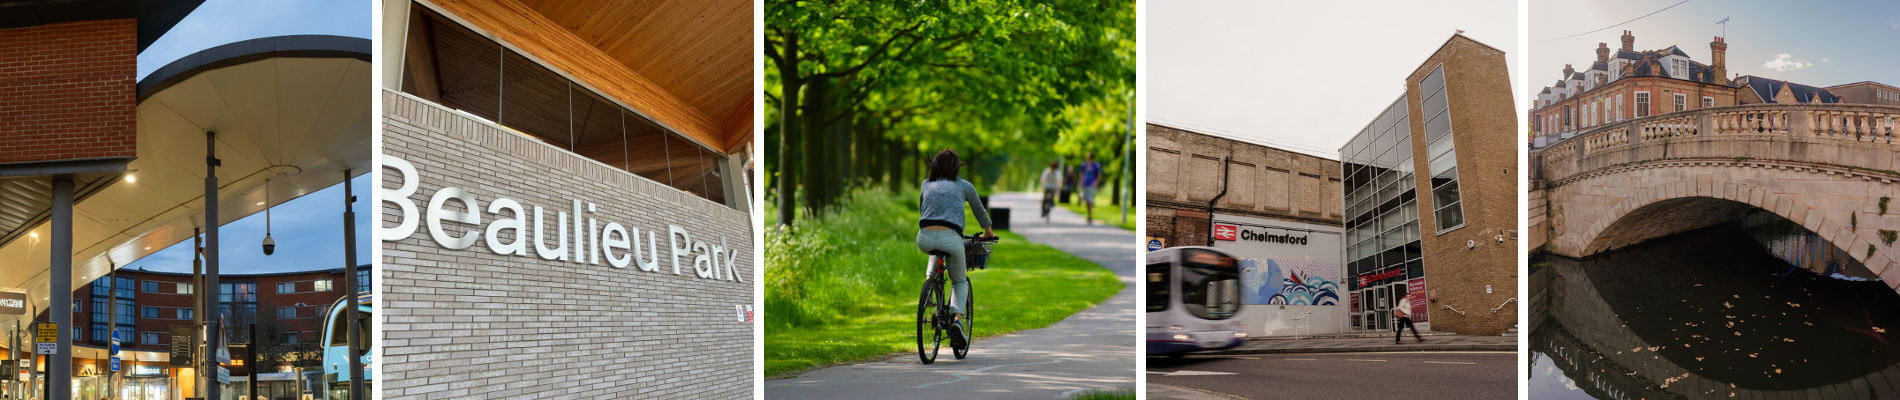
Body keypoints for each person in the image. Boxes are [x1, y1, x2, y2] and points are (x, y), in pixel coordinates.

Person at [916, 148, 996, 349]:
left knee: (935, 250)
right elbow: (980, 212)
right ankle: (957, 320)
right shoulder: (964, 186)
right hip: (951, 238)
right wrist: (988, 232)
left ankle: (929, 288)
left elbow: (922, 209)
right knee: (959, 281)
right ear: (956, 167)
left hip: (924, 237)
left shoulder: (926, 184)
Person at [1078, 152, 1104, 224]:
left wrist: (1095, 183)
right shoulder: (1084, 165)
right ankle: (1088, 214)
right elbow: (1082, 174)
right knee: (1086, 200)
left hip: (1091, 185)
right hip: (1085, 184)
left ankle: (1089, 214)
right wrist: (1081, 183)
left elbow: (1099, 176)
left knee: (1090, 199)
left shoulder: (1096, 165)